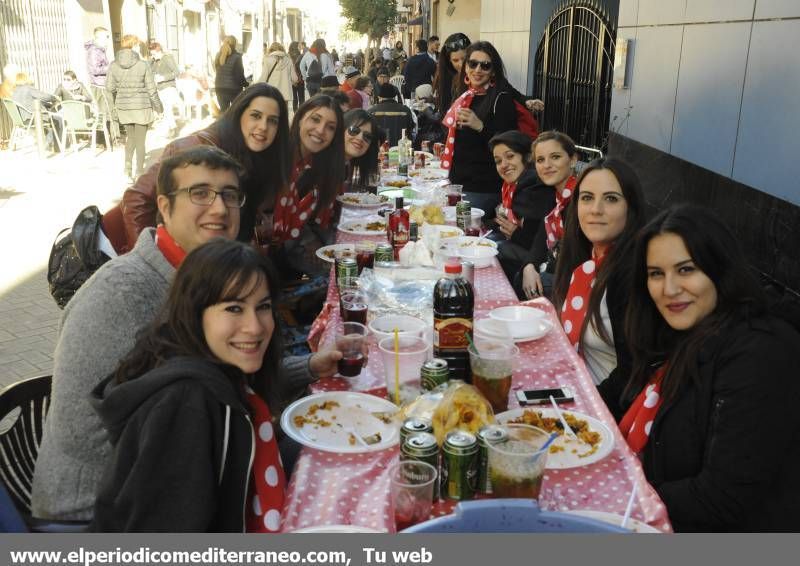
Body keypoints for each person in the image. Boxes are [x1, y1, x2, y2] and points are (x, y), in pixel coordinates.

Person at [32, 146, 342, 522]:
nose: (219, 208)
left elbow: (226, 374)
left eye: (229, 195)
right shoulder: (119, 296)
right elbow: (97, 437)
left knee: (331, 462)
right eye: (200, 193)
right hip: (104, 510)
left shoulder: (202, 276)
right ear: (164, 206)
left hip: (187, 468)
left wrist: (309, 366)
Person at [599, 204, 800, 532]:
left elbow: (722, 498)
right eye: (656, 274)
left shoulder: (762, 351)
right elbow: (626, 386)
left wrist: (617, 499)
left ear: (720, 268)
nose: (670, 289)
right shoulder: (680, 332)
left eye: (686, 269)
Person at [91, 239, 298, 531]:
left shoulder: (213, 364)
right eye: (234, 308)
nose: (255, 326)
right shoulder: (185, 406)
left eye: (262, 306)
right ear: (195, 312)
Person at [121, 83, 290, 249]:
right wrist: (151, 260)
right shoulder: (194, 148)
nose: (263, 127)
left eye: (273, 121)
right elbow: (136, 198)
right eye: (255, 116)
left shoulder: (263, 159)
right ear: (239, 114)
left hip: (221, 256)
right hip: (180, 257)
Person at [551, 157, 646, 386]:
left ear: (630, 209)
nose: (596, 210)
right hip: (576, 388)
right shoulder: (583, 260)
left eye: (611, 199)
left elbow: (634, 375)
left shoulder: (634, 274)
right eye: (587, 198)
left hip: (607, 409)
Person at [268, 95, 345, 276]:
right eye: (315, 119)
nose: (320, 130)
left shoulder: (319, 163)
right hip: (274, 253)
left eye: (330, 127)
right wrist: (309, 241)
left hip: (294, 243)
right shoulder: (279, 158)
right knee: (336, 275)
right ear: (300, 117)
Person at [441, 41, 518, 218]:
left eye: (485, 65)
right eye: (472, 63)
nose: (477, 70)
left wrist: (480, 126)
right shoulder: (465, 95)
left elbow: (509, 147)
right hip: (459, 184)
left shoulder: (501, 99)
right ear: (465, 66)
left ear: (493, 71)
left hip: (483, 189)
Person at [488, 131, 555, 288]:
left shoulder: (534, 189)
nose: (504, 165)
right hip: (533, 252)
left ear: (527, 157)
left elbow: (539, 243)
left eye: (510, 156)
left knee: (496, 249)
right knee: (491, 243)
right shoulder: (512, 187)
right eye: (498, 161)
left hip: (544, 261)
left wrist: (515, 233)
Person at [519, 130, 579, 299]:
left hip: (579, 280)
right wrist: (529, 266)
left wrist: (542, 269)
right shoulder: (555, 198)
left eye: (555, 157)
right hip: (556, 266)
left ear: (573, 160)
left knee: (537, 285)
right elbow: (540, 237)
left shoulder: (582, 198)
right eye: (540, 160)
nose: (546, 165)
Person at [107, 35, 163, 180]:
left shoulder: (113, 65)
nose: (140, 47)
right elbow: (152, 90)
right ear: (133, 46)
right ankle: (139, 172)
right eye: (138, 45)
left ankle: (127, 169)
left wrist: (114, 107)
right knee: (140, 141)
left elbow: (109, 88)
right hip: (141, 107)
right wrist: (159, 108)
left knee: (130, 139)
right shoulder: (143, 65)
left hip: (123, 108)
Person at [9, 71, 64, 151]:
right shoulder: (28, 88)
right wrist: (55, 98)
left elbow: (30, 101)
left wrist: (46, 104)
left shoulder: (14, 92)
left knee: (52, 118)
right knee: (58, 120)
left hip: (22, 120)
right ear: (25, 79)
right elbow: (46, 97)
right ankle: (53, 146)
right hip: (33, 118)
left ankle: (49, 143)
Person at [85, 26, 120, 141]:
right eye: (106, 37)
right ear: (98, 37)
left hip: (102, 85)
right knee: (109, 112)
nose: (108, 39)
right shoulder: (94, 51)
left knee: (106, 113)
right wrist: (111, 67)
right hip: (100, 86)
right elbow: (95, 70)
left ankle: (104, 140)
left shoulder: (99, 50)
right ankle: (115, 139)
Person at [148, 42, 182, 137]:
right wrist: (151, 59)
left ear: (159, 51)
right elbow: (148, 68)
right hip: (160, 88)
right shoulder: (155, 61)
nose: (153, 56)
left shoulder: (167, 58)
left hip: (169, 87)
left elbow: (177, 72)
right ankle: (172, 129)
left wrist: (163, 78)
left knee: (167, 109)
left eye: (154, 54)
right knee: (166, 110)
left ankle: (173, 129)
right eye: (151, 54)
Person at [434, 33, 470, 116]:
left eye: (464, 59)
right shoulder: (448, 78)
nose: (461, 64)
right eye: (455, 60)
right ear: (449, 61)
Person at [343, 109, 379, 187]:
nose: (360, 138)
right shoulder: (323, 164)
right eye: (354, 130)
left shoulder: (346, 165)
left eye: (367, 136)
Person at [214, 36, 248, 111]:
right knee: (236, 113)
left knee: (224, 113)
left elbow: (217, 71)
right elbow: (239, 75)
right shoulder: (237, 57)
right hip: (233, 90)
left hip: (219, 88)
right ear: (234, 44)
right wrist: (246, 84)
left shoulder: (218, 55)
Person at [259, 42, 296, 108]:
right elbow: (294, 78)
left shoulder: (267, 60)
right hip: (285, 94)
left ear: (271, 50)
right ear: (282, 49)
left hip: (272, 92)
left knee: (273, 113)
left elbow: (263, 78)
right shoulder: (288, 60)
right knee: (284, 114)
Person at [288, 41, 305, 112]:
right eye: (298, 46)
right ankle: (301, 113)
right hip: (300, 79)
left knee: (294, 98)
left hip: (292, 80)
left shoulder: (288, 56)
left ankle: (295, 113)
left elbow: (288, 70)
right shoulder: (301, 56)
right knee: (301, 98)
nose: (300, 47)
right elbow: (303, 68)